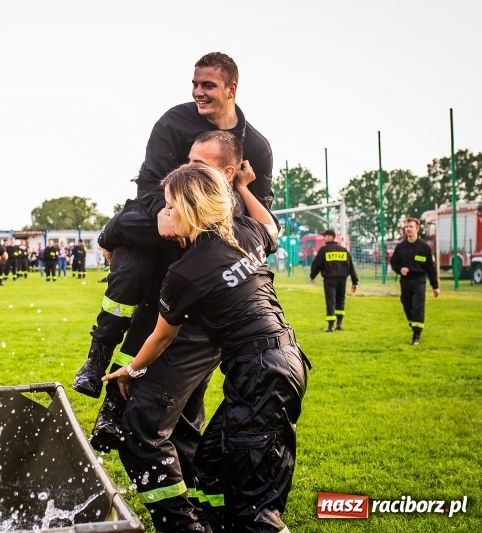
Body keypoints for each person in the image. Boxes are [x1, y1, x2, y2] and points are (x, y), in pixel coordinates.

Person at [104, 162, 308, 533]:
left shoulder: (185, 272)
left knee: (254, 505)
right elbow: (272, 228)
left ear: (190, 208)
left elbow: (162, 336)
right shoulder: (245, 231)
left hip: (259, 373)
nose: (162, 214)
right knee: (212, 462)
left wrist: (131, 369)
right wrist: (246, 188)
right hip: (283, 361)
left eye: (168, 206)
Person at [74, 51, 273, 399]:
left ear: (232, 88)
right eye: (194, 84)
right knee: (131, 266)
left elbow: (257, 213)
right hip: (156, 224)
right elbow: (149, 183)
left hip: (202, 245)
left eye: (208, 85)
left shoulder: (255, 146)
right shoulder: (173, 122)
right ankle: (95, 359)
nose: (198, 91)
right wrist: (165, 215)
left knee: (157, 314)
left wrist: (203, 227)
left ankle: (113, 408)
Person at [389, 217, 439, 345]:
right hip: (405, 281)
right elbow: (393, 263)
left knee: (418, 306)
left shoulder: (424, 248)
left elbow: (431, 268)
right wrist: (400, 269)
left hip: (419, 280)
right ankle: (414, 324)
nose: (408, 229)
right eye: (406, 227)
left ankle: (416, 334)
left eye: (410, 226)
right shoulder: (400, 247)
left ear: (417, 228)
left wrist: (435, 286)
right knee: (406, 305)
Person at [309, 228, 359, 332]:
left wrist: (313, 275)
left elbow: (317, 264)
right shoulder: (344, 250)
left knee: (330, 301)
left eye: (325, 236)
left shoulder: (324, 250)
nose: (323, 238)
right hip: (342, 280)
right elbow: (351, 267)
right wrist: (355, 282)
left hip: (329, 280)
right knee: (341, 300)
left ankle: (331, 326)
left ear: (331, 237)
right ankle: (339, 323)